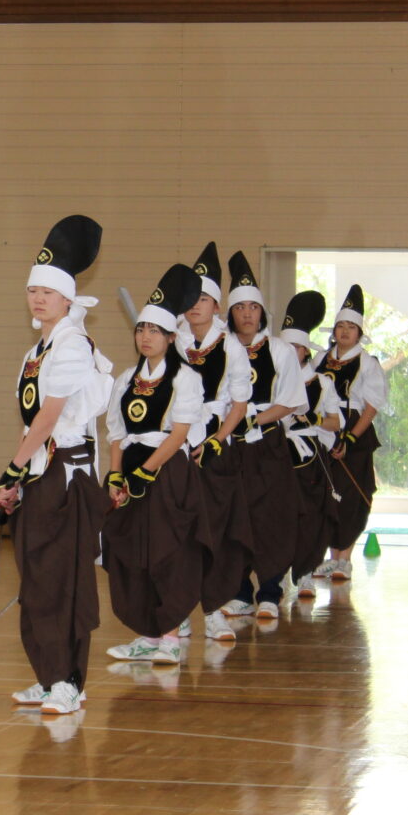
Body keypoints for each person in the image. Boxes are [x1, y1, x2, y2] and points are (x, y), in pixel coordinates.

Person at [0, 215, 112, 718]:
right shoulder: (35, 351)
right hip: (38, 473)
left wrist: (12, 471)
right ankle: (49, 677)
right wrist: (18, 480)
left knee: (66, 579)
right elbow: (29, 423)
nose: (38, 299)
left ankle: (70, 681)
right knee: (37, 578)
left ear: (68, 299)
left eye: (48, 292)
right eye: (32, 291)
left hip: (66, 476)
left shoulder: (71, 345)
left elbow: (51, 415)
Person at [101, 264, 208, 666]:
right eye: (140, 329)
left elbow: (180, 432)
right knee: (129, 553)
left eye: (154, 331)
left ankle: (170, 635)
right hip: (130, 469)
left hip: (166, 472)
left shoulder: (186, 378)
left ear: (170, 337)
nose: (145, 337)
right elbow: (116, 431)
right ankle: (146, 634)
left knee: (166, 552)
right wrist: (116, 475)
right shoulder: (126, 377)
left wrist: (147, 471)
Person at [175, 243, 254, 642]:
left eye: (203, 298)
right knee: (178, 532)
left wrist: (216, 440)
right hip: (174, 443)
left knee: (215, 532)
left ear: (216, 305)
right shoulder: (172, 339)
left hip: (214, 447)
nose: (195, 305)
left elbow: (239, 404)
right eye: (190, 298)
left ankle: (215, 609)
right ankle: (180, 610)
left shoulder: (232, 346)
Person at [224, 253, 307, 622]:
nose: (246, 314)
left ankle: (270, 591)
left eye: (252, 307)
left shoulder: (280, 350)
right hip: (228, 446)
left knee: (271, 519)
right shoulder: (220, 349)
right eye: (239, 307)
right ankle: (239, 592)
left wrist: (253, 418)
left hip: (268, 444)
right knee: (233, 518)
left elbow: (291, 400)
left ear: (262, 312)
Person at [320, 285, 388, 583]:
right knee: (325, 497)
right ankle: (329, 557)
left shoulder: (368, 363)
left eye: (351, 327)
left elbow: (371, 407)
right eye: (340, 326)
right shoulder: (320, 358)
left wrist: (350, 438)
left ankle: (344, 559)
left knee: (350, 498)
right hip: (323, 430)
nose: (345, 332)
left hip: (353, 434)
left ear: (359, 333)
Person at [276, 291, 342, 597]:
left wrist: (312, 422)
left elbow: (335, 421)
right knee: (277, 515)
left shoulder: (321, 382)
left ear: (305, 351)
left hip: (308, 459)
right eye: (286, 347)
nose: (292, 353)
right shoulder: (268, 381)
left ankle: (303, 572)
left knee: (311, 517)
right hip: (275, 455)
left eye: (297, 348)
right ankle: (274, 574)